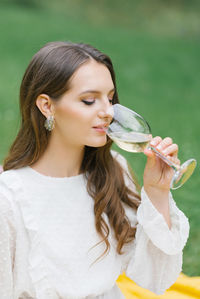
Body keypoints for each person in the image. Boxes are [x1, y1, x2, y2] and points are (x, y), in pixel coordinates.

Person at [0, 41, 189, 299]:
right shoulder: (9, 197)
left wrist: (157, 192)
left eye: (110, 98)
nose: (108, 112)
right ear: (47, 106)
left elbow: (154, 278)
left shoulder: (112, 169)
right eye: (89, 101)